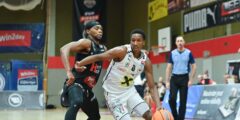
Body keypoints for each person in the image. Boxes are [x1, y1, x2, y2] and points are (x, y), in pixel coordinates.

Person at [75, 29, 161, 120]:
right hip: (113, 94)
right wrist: (80, 63)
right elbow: (98, 56)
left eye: (138, 40)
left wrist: (159, 106)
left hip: (130, 91)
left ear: (143, 42)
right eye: (133, 40)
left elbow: (152, 87)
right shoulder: (121, 51)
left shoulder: (146, 61)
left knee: (150, 115)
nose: (135, 43)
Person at [60, 20, 106, 120]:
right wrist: (68, 71)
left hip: (87, 89)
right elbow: (64, 49)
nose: (100, 31)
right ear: (88, 31)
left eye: (101, 29)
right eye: (96, 28)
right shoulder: (87, 43)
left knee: (95, 116)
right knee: (77, 102)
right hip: (75, 83)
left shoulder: (103, 48)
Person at [165, 36, 196, 120]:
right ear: (176, 43)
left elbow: (194, 66)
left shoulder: (189, 53)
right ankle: (175, 115)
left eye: (181, 41)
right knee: (172, 99)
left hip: (184, 78)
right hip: (174, 78)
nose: (180, 42)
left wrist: (191, 79)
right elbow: (168, 67)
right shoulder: (172, 53)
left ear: (184, 42)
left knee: (183, 101)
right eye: (178, 41)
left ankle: (180, 118)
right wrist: (167, 81)